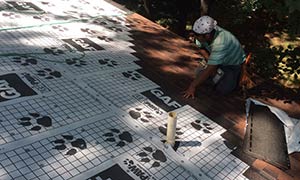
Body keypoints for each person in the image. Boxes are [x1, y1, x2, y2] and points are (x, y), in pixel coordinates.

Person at [183, 16, 246, 99]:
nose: (195, 37)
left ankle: (233, 80)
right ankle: (216, 74)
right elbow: (201, 48)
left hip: (232, 64)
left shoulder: (221, 42)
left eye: (197, 35)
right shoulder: (202, 33)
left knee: (223, 89)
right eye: (194, 34)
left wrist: (192, 87)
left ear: (207, 35)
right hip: (217, 58)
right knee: (200, 74)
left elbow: (210, 69)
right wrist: (210, 61)